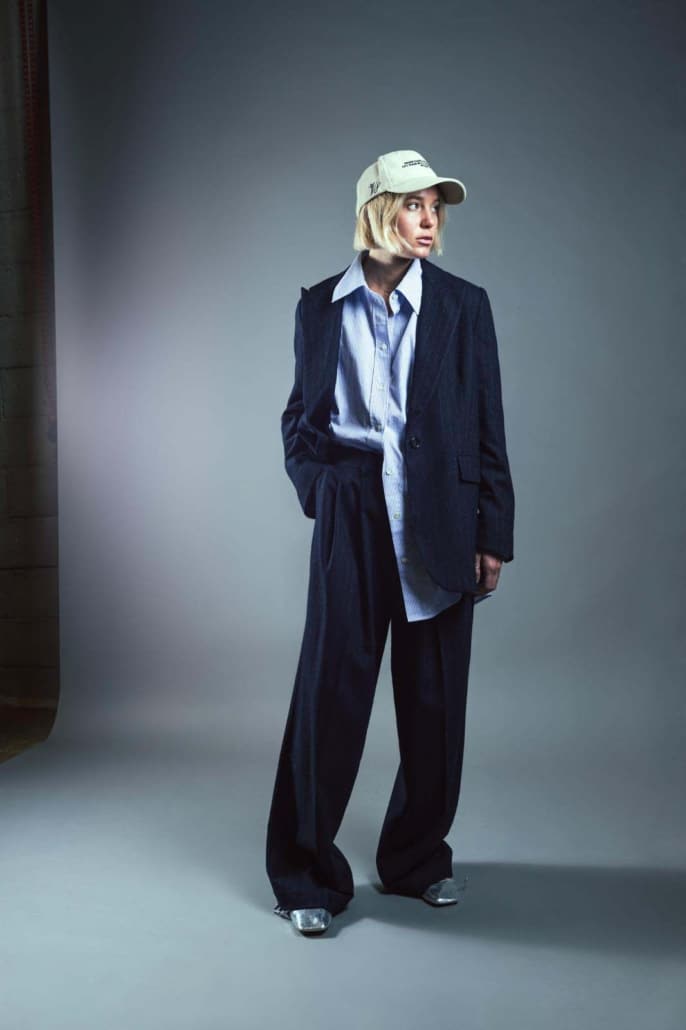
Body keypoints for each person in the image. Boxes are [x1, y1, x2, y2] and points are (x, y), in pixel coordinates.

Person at [265, 149, 515, 935]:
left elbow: (487, 424)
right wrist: (320, 489)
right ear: (377, 210)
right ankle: (305, 877)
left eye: (436, 207)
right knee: (329, 698)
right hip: (353, 511)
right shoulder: (320, 306)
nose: (430, 219)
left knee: (435, 703)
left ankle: (416, 860)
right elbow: (301, 417)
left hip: (441, 515)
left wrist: (493, 532)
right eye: (414, 205)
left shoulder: (463, 305)